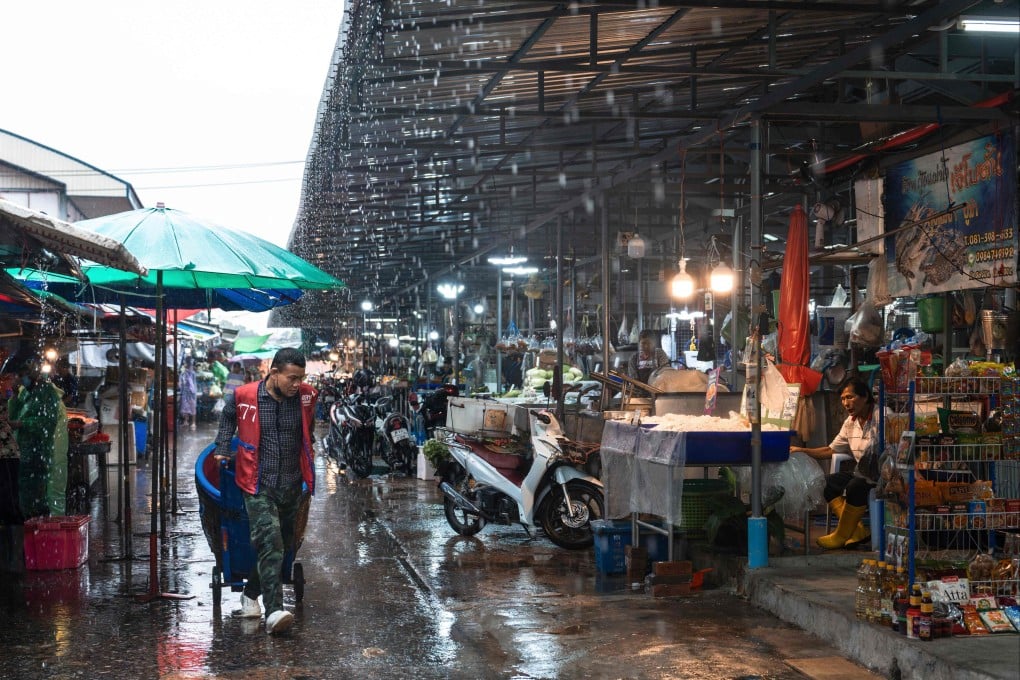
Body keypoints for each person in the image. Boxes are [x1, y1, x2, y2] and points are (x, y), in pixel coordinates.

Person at [213, 348, 317, 635]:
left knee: (282, 546)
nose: (296, 384)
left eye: (301, 378)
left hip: (292, 484)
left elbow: (309, 428)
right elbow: (227, 419)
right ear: (274, 373)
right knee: (270, 543)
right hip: (257, 483)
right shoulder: (245, 395)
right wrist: (223, 448)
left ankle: (250, 594)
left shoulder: (307, 396)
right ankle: (274, 611)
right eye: (291, 378)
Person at [789, 377, 877, 549]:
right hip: (862, 473)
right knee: (826, 483)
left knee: (855, 486)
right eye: (843, 399)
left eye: (850, 397)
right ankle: (857, 531)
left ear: (865, 396)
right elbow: (831, 450)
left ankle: (842, 534)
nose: (846, 403)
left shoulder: (881, 416)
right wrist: (802, 451)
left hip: (880, 474)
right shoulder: (850, 423)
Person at [8, 357, 68, 518]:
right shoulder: (25, 393)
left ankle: (40, 525)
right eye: (18, 376)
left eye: (22, 375)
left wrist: (22, 424)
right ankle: (28, 524)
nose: (19, 379)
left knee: (37, 492)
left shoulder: (47, 393)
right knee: (23, 492)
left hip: (39, 451)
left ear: (31, 374)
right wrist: (14, 395)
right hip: (23, 451)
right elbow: (11, 414)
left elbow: (47, 421)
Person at [178, 358, 198, 431]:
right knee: (185, 407)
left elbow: (194, 384)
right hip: (185, 392)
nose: (189, 366)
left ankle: (193, 422)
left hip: (192, 393)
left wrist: (194, 391)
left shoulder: (193, 373)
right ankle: (185, 421)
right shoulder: (183, 373)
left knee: (192, 407)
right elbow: (180, 383)